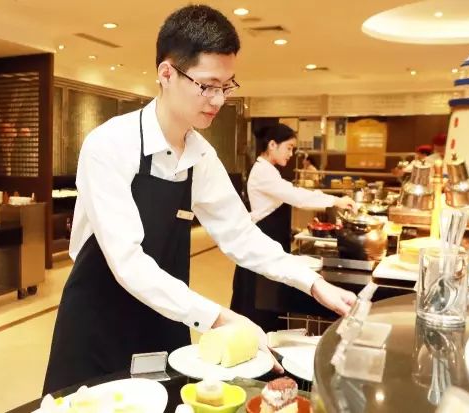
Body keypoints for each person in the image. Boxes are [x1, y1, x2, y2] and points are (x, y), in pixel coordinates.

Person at [42, 5, 356, 395]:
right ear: (166, 73)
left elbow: (240, 234)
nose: (219, 99)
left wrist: (311, 283)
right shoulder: (109, 145)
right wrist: (219, 318)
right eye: (207, 85)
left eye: (227, 86)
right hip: (97, 318)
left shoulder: (201, 156)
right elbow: (127, 263)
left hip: (167, 312)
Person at [230, 124, 355, 329]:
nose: (291, 153)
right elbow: (297, 196)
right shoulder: (263, 171)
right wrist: (335, 200)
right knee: (257, 302)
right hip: (262, 240)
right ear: (272, 145)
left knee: (265, 298)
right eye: (288, 147)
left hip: (268, 239)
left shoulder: (269, 170)